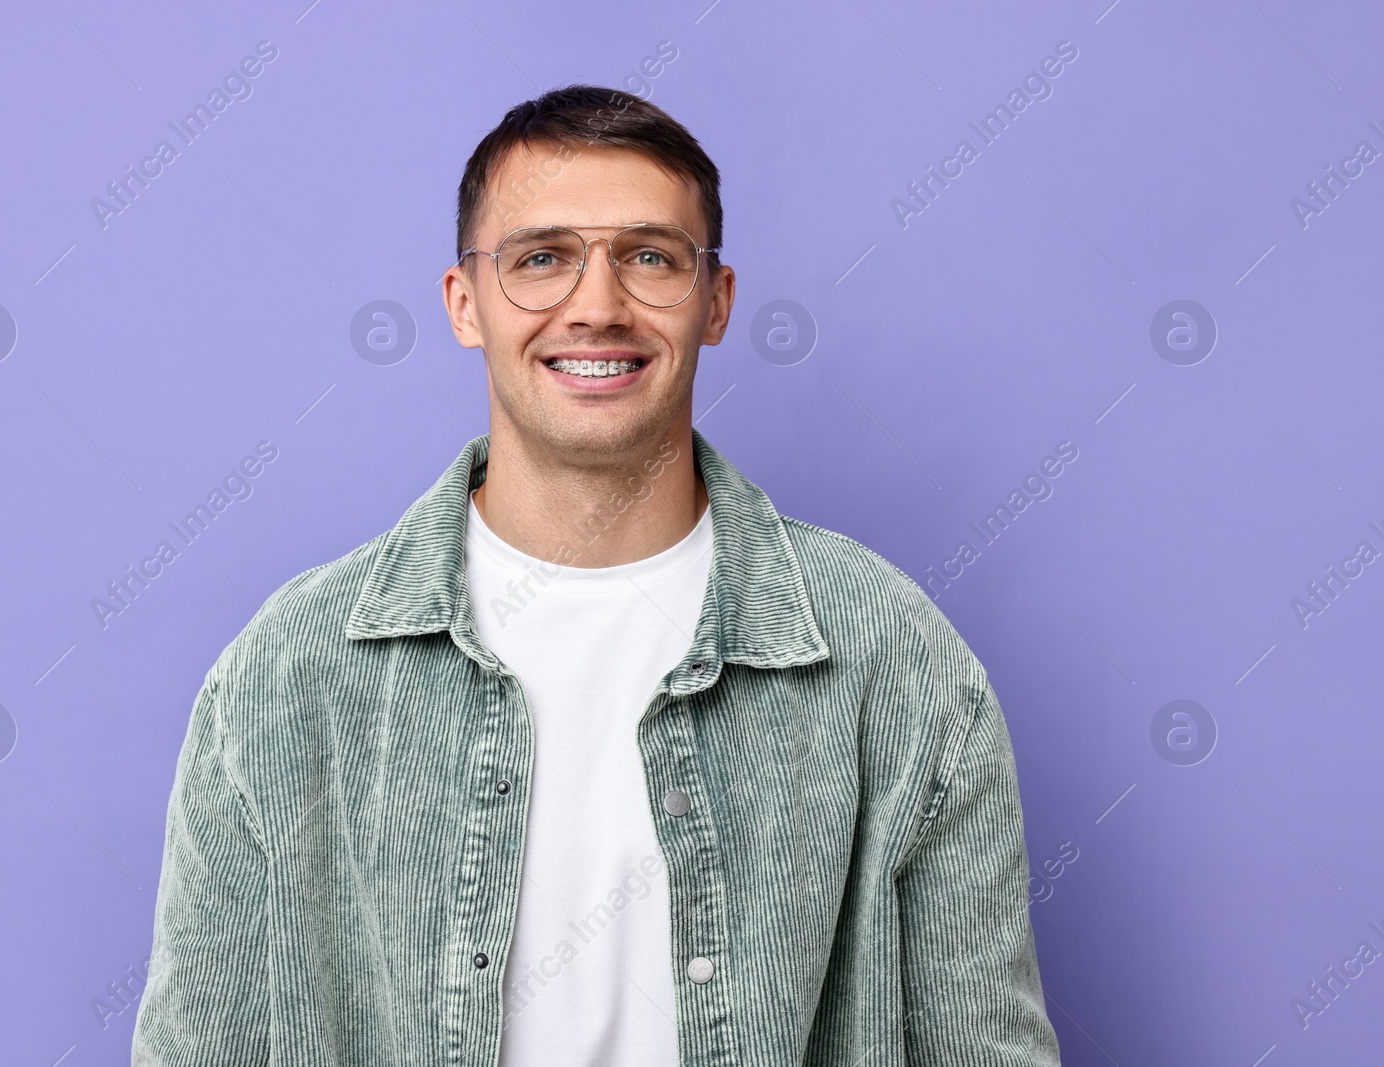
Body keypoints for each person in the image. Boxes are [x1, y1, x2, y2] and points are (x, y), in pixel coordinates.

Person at [133, 84, 1061, 1066]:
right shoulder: (287, 672)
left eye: (649, 257)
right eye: (541, 259)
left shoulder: (889, 656)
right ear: (465, 303)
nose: (596, 306)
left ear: (716, 302)